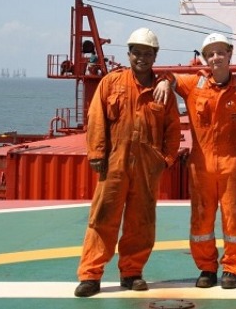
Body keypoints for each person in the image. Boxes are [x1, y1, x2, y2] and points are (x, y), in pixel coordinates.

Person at [153, 33, 236, 289]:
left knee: (234, 218)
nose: (216, 58)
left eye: (220, 52)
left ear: (230, 54)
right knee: (201, 220)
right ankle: (207, 268)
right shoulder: (193, 85)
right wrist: (164, 81)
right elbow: (171, 77)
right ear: (205, 58)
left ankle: (231, 269)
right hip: (201, 164)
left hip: (232, 164)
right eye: (211, 54)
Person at [74, 28, 181, 297]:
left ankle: (132, 273)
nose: (142, 58)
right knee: (102, 218)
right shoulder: (112, 82)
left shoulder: (162, 90)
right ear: (129, 54)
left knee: (140, 222)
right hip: (114, 163)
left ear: (155, 56)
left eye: (147, 53)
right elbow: (96, 118)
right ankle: (90, 275)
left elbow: (172, 129)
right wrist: (97, 154)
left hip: (146, 167)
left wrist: (165, 160)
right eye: (137, 53)